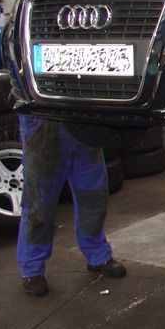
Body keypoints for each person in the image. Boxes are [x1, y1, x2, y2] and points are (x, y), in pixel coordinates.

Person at [17, 115, 126, 297]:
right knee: (39, 206)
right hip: (44, 126)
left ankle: (97, 255)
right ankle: (32, 270)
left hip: (84, 124)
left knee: (93, 199)